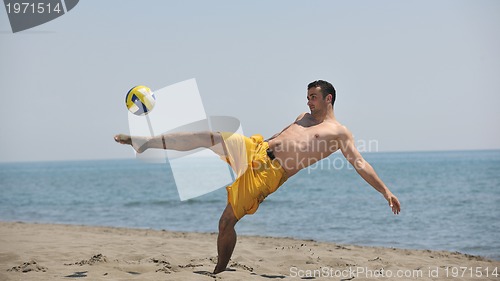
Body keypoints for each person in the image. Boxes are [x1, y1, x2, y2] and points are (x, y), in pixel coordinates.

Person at [114, 80, 401, 274]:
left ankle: (220, 271)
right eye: (307, 97)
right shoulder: (303, 115)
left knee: (226, 221)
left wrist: (385, 191)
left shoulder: (338, 132)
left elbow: (360, 162)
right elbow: (282, 136)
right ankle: (146, 142)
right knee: (211, 136)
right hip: (256, 149)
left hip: (269, 175)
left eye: (314, 97)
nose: (309, 101)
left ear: (328, 98)